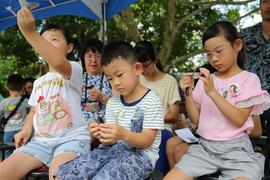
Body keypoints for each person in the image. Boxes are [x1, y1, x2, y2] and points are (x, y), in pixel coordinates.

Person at [164, 21, 270, 180]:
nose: (213, 58)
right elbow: (197, 121)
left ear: (237, 45)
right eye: (208, 53)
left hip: (237, 152)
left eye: (219, 51)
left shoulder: (249, 79)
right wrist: (188, 94)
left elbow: (239, 119)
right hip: (205, 149)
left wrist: (213, 92)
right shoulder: (207, 80)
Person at [0, 7, 90, 180]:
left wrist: (31, 33)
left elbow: (58, 61)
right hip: (39, 142)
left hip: (71, 140)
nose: (47, 45)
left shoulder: (73, 69)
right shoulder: (39, 82)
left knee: (58, 176)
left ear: (69, 47)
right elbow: (34, 110)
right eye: (43, 41)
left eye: (54, 39)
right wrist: (26, 129)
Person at [55, 41, 164, 179]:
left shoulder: (151, 100)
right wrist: (101, 133)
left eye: (120, 75)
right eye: (110, 79)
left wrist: (124, 134)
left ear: (137, 68)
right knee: (70, 172)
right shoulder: (113, 102)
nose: (116, 83)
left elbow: (147, 140)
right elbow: (109, 142)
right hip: (111, 150)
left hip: (141, 156)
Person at [134, 40, 180, 175]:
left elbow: (174, 115)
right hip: (137, 128)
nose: (142, 70)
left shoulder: (169, 81)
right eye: (139, 66)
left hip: (161, 130)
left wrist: (150, 117)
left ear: (156, 60)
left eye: (146, 65)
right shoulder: (137, 79)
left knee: (155, 166)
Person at [240, 0, 270, 176]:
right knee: (242, 135)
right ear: (259, 6)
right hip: (248, 96)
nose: (268, 6)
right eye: (264, 1)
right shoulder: (245, 35)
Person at [80, 39, 112, 123]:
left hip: (106, 125)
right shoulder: (78, 79)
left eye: (98, 56)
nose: (93, 60)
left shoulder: (111, 78)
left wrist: (102, 97)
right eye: (89, 56)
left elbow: (118, 106)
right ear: (83, 59)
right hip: (82, 127)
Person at [0, 74, 29, 157]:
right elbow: (31, 114)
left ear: (7, 87)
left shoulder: (4, 102)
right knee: (24, 152)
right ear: (23, 86)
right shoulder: (25, 100)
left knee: (8, 152)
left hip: (9, 131)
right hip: (23, 131)